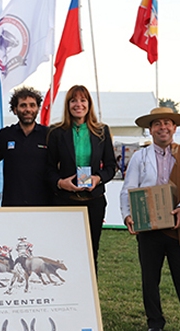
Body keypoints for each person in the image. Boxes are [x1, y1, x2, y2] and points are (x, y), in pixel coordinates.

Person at [120, 107, 180, 331]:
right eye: (157, 124)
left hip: (178, 227)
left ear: (174, 127)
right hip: (148, 228)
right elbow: (129, 188)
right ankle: (155, 323)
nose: (163, 127)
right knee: (150, 279)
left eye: (167, 123)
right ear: (150, 129)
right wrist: (128, 215)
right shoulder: (140, 157)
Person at [46, 85, 116, 276]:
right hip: (64, 202)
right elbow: (49, 168)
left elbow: (111, 166)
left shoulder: (101, 131)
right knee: (63, 251)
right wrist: (61, 183)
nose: (78, 104)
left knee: (91, 250)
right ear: (68, 105)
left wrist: (98, 178)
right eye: (74, 100)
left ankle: (89, 298)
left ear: (89, 104)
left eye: (83, 100)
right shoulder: (56, 132)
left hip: (94, 202)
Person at [0, 86, 51, 206]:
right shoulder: (5, 135)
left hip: (44, 204)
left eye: (32, 105)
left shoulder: (49, 134)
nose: (28, 109)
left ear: (38, 109)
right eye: (23, 105)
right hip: (13, 204)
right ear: (15, 110)